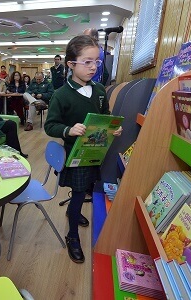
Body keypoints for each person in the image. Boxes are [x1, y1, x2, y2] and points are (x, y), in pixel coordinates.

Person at [44, 35, 122, 264]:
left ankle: (74, 212)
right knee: (78, 191)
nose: (93, 67)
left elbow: (105, 116)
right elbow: (51, 126)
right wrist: (69, 129)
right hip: (75, 153)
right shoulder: (61, 95)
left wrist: (112, 128)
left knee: (89, 186)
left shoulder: (99, 90)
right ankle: (72, 236)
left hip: (97, 150)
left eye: (96, 62)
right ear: (71, 64)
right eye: (87, 62)